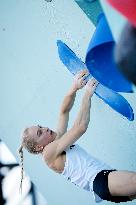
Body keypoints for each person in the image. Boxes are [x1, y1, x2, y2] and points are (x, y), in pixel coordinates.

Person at [18, 69, 136, 203]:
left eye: (41, 126)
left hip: (105, 180)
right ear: (39, 147)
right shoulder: (48, 154)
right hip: (100, 180)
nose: (45, 128)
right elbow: (80, 127)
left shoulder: (57, 143)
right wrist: (87, 94)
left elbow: (64, 111)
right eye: (40, 133)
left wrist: (73, 88)